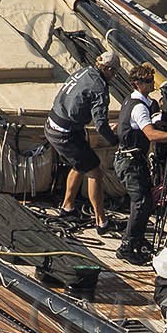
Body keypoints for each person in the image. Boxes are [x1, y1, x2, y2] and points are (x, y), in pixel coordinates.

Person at [113, 63, 167, 264]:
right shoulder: (139, 108)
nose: (151, 85)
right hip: (129, 162)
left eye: (151, 80)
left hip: (134, 159)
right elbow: (151, 135)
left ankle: (136, 239)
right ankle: (127, 247)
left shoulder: (137, 101)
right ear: (136, 84)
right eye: (147, 82)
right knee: (141, 203)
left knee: (145, 201)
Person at [46, 50, 121, 234]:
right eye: (115, 72)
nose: (115, 76)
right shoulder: (99, 88)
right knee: (94, 170)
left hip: (52, 124)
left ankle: (68, 207)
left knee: (80, 163)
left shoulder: (85, 71)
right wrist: (115, 141)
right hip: (65, 133)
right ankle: (101, 221)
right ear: (108, 69)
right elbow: (101, 125)